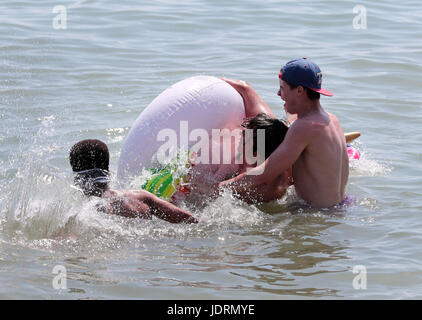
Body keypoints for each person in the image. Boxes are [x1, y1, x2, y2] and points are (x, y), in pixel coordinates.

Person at [219, 58, 349, 208]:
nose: (278, 93)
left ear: (300, 90)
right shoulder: (331, 120)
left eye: (282, 88)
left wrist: (218, 188)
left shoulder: (304, 127)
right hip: (343, 205)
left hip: (316, 213)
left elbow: (263, 175)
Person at [69, 139, 199, 224]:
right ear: (108, 171)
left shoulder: (80, 212)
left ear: (77, 178)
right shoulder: (141, 196)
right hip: (142, 260)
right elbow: (189, 219)